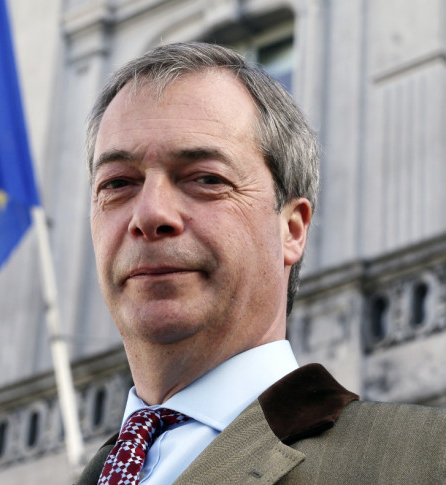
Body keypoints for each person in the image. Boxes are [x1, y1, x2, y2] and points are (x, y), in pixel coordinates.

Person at [75, 42, 446, 485]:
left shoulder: (426, 459)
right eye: (117, 183)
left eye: (207, 179)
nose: (150, 214)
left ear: (291, 229)